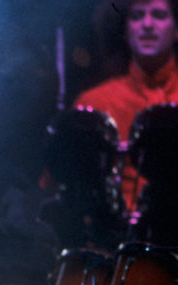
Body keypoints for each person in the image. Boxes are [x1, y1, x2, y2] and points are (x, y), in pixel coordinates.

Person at [73, 0, 178, 215]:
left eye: (158, 15)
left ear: (176, 29)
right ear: (124, 28)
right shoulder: (93, 103)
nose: (147, 24)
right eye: (137, 16)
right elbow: (63, 181)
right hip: (114, 242)